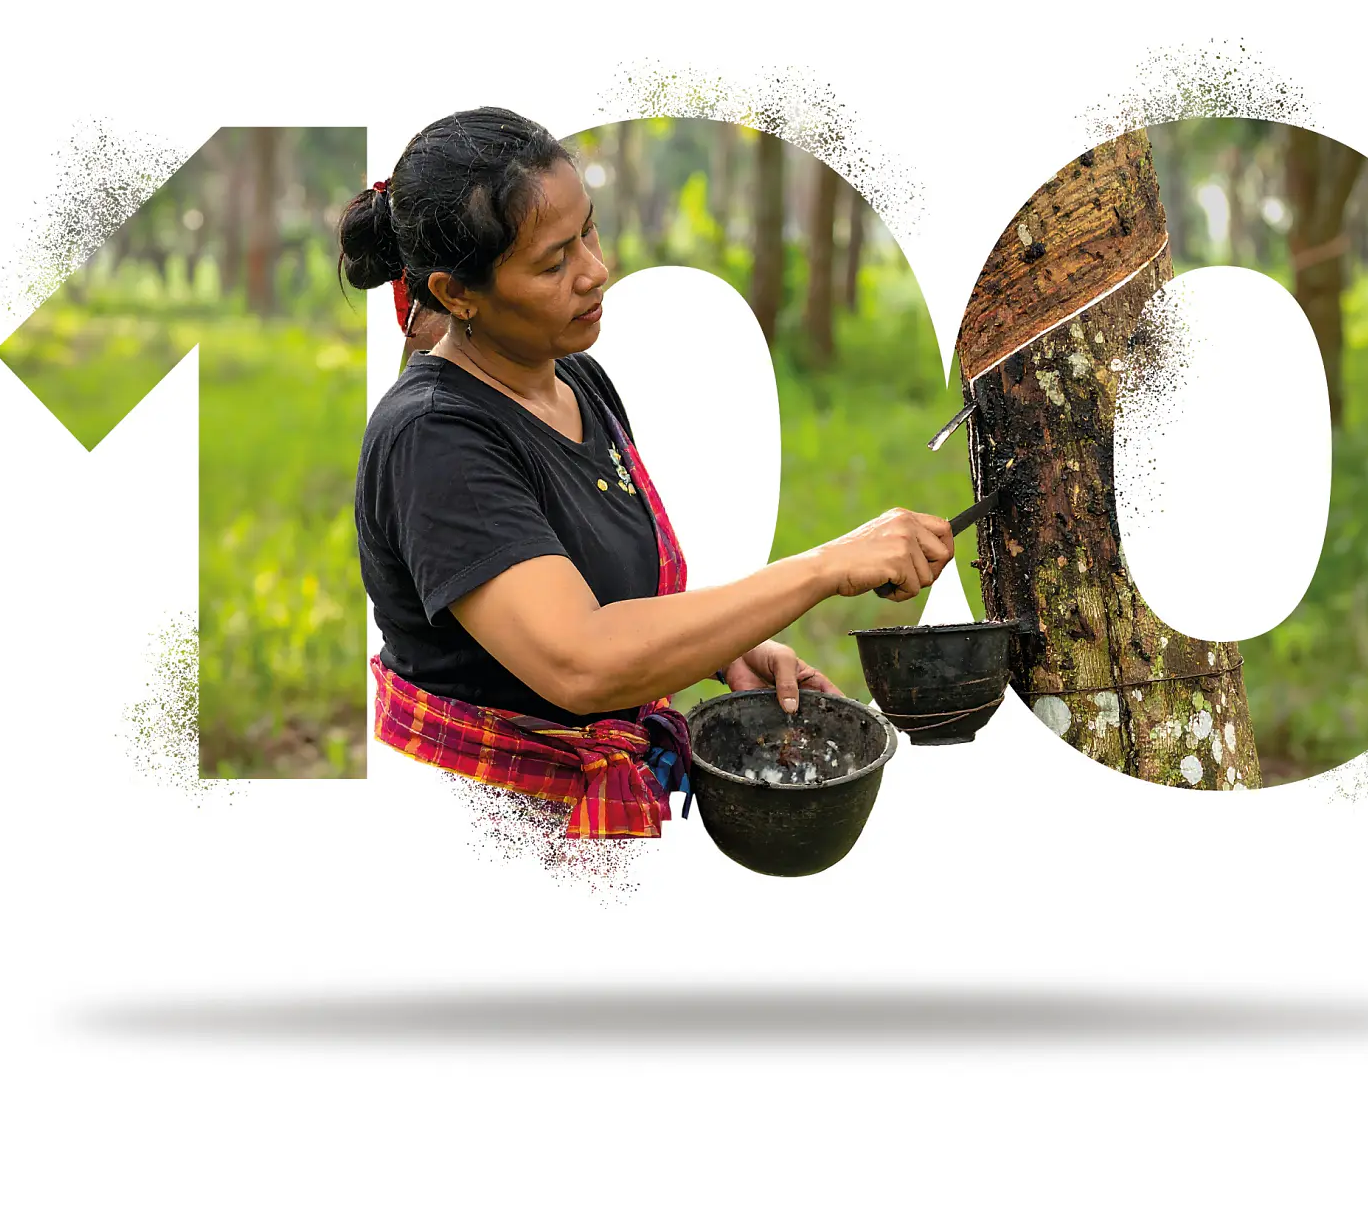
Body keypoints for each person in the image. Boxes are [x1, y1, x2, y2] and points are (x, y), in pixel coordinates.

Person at [342, 107, 954, 840]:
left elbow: (593, 586)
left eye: (588, 232)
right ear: (455, 293)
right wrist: (826, 566)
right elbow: (582, 661)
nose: (595, 270)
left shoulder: (576, 382)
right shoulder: (435, 439)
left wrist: (728, 646)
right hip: (488, 826)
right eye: (553, 263)